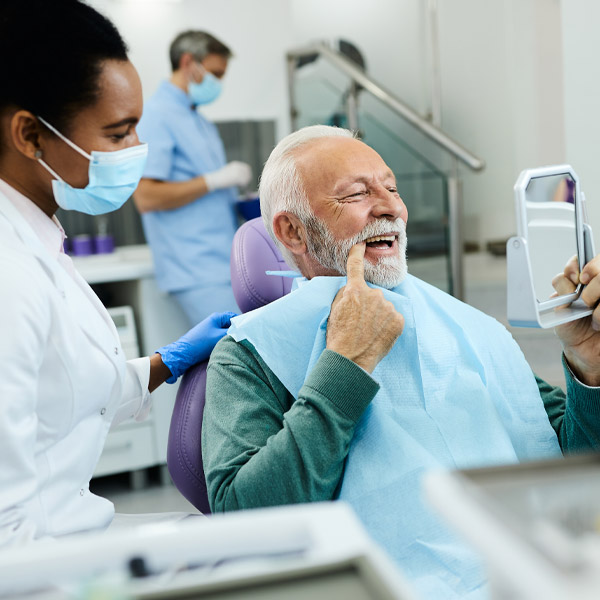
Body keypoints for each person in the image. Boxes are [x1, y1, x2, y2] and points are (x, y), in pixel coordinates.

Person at [202, 125, 600, 598]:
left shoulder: (466, 327)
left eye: (391, 187)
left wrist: (588, 367)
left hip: (531, 569)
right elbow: (245, 520)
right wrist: (343, 367)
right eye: (356, 194)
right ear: (292, 231)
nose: (390, 207)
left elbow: (569, 461)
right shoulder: (251, 353)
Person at [0, 0, 235, 547]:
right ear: (30, 135)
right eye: (118, 133)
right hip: (40, 561)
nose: (137, 151)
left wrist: (165, 363)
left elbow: (67, 391)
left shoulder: (37, 236)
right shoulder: (9, 274)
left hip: (70, 527)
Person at [133, 30, 252, 326]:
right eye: (214, 73)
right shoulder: (156, 115)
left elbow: (203, 195)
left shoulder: (198, 120)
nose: (218, 83)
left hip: (221, 263)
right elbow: (146, 197)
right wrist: (213, 181)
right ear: (188, 62)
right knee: (238, 359)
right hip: (194, 269)